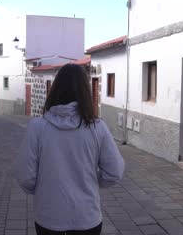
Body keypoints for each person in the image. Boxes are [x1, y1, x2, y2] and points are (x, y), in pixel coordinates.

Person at [16, 64, 125, 235]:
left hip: (48, 217)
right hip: (87, 218)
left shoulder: (37, 127)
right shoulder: (97, 128)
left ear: (55, 89)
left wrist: (44, 189)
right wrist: (90, 181)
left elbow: (26, 177)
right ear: (85, 92)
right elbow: (114, 172)